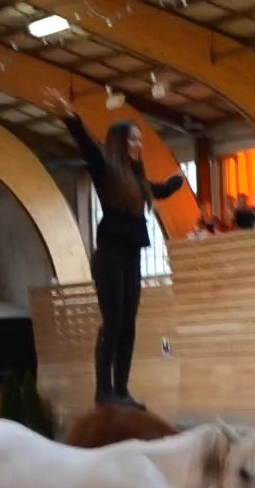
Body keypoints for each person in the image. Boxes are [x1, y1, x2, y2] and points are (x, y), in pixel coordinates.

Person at [44, 87, 186, 410]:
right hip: (109, 256)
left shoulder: (136, 178)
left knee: (129, 324)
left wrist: (177, 182)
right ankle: (103, 391)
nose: (138, 144)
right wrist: (70, 117)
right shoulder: (107, 169)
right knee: (113, 322)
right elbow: (87, 147)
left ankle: (122, 390)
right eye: (133, 139)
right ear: (120, 142)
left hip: (132, 255)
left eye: (140, 139)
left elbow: (157, 190)